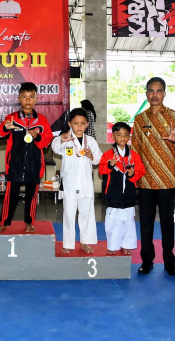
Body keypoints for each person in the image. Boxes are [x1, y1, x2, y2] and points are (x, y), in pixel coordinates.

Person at [131, 77, 175, 276]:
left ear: (164, 93)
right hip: (145, 181)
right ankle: (146, 262)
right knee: (146, 225)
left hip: (168, 180)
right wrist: (135, 178)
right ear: (146, 94)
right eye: (151, 90)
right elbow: (136, 150)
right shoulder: (140, 120)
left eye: (158, 91)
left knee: (167, 224)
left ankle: (169, 263)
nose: (155, 94)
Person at [0, 82, 53, 234]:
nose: (28, 100)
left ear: (36, 99)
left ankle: (29, 223)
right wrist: (6, 127)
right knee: (10, 196)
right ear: (19, 99)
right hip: (15, 165)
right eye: (24, 97)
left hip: (34, 165)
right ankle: (4, 223)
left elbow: (47, 142)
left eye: (31, 97)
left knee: (31, 197)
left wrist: (37, 136)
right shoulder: (12, 118)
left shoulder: (42, 121)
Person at [51, 108, 103, 253]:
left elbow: (99, 159)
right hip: (70, 183)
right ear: (69, 124)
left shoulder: (91, 141)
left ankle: (85, 242)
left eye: (82, 123)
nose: (79, 126)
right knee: (69, 214)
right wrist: (62, 139)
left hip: (85, 184)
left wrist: (91, 155)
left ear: (87, 124)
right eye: (75, 123)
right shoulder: (65, 138)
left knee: (86, 214)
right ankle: (68, 244)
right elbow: (54, 147)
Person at [99, 122, 146, 255]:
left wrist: (132, 174)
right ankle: (113, 246)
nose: (122, 138)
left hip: (129, 195)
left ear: (129, 137)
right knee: (113, 222)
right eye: (119, 135)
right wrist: (110, 165)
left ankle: (127, 245)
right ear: (113, 136)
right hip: (113, 194)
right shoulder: (108, 155)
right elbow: (101, 170)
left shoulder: (134, 156)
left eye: (126, 135)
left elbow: (141, 171)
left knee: (128, 221)